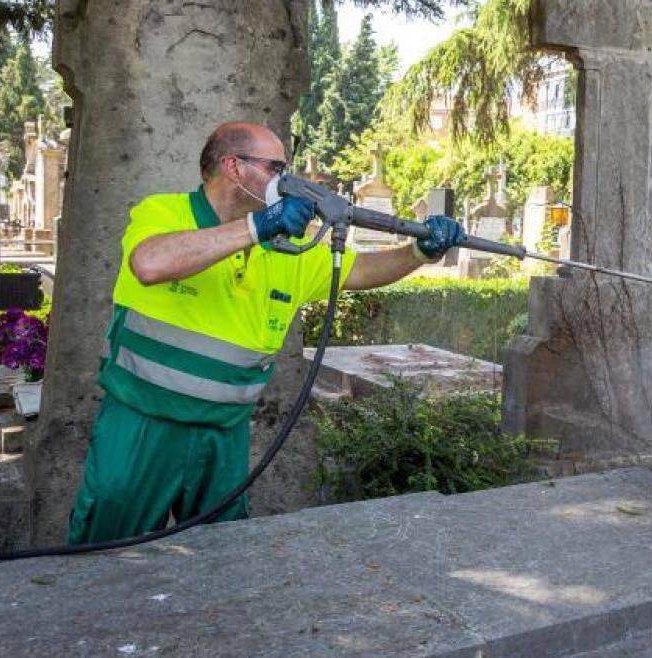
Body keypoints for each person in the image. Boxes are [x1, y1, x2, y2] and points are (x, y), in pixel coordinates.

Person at [67, 121, 466, 544]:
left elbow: (361, 270)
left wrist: (418, 252)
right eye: (276, 167)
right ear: (234, 167)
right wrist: (258, 226)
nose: (287, 180)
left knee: (222, 556)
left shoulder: (289, 248)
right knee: (105, 553)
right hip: (141, 425)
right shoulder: (165, 212)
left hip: (223, 434)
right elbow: (150, 263)